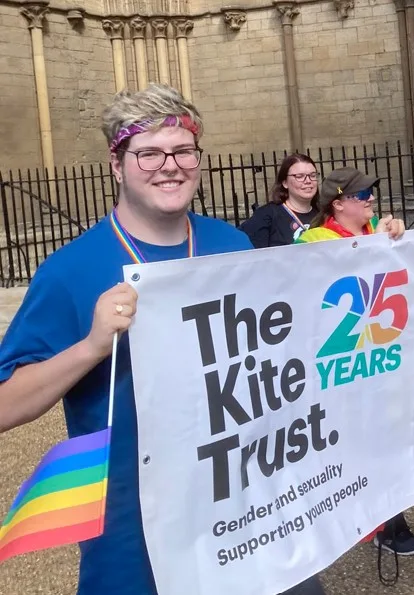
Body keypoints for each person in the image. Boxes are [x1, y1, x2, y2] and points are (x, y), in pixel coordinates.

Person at [0, 84, 325, 595]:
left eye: (182, 151)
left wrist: (386, 254)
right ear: (117, 163)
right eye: (148, 152)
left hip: (245, 514)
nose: (169, 165)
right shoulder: (69, 271)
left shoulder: (231, 245)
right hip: (135, 537)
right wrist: (90, 346)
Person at [294, 166, 414, 558]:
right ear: (337, 203)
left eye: (371, 191)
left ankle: (390, 517)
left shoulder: (376, 235)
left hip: (380, 357)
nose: (371, 198)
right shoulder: (314, 239)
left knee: (388, 438)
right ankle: (365, 518)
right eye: (361, 194)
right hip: (341, 363)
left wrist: (396, 237)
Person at [240, 153, 319, 247]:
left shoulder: (324, 213)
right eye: (299, 176)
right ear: (285, 182)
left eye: (313, 175)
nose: (308, 181)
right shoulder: (266, 216)